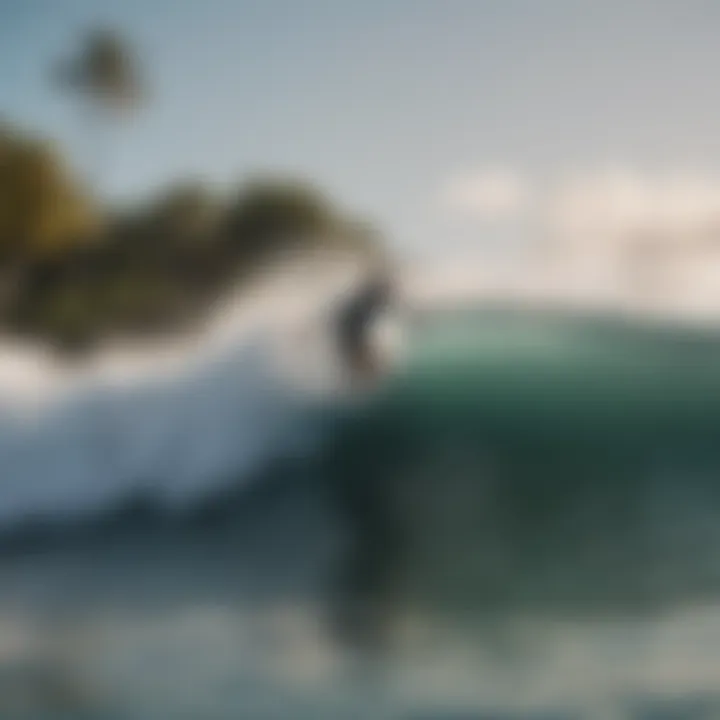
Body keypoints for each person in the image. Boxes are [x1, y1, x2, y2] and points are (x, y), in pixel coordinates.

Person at [334, 269, 394, 383]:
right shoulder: (369, 302)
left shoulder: (368, 302)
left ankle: (365, 369)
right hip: (352, 327)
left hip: (352, 326)